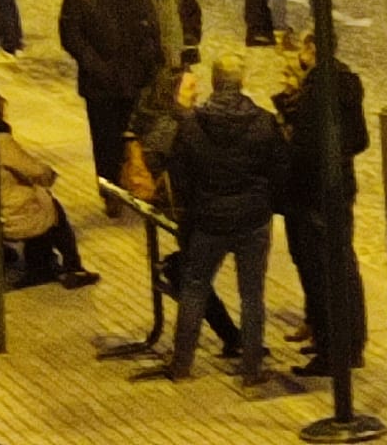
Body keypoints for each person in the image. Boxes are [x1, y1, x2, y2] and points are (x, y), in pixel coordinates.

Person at [155, 52, 284, 384]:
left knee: (195, 287)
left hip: (209, 219)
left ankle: (182, 364)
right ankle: (252, 368)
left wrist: (193, 208)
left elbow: (180, 177)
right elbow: (277, 169)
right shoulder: (263, 123)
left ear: (213, 82)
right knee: (252, 294)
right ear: (241, 83)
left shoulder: (193, 126)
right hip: (252, 218)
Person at [126, 62, 242, 358]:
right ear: (173, 93)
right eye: (191, 87)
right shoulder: (173, 126)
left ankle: (232, 338)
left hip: (188, 209)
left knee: (192, 270)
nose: (198, 90)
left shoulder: (162, 119)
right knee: (194, 275)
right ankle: (223, 342)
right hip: (189, 210)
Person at [279, 30, 370, 372]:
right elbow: (360, 139)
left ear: (312, 49)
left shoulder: (318, 87)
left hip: (313, 194)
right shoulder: (347, 81)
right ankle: (351, 344)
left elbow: (303, 149)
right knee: (345, 266)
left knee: (322, 272)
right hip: (341, 188)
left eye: (303, 45)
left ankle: (332, 352)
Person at [57, 0, 165, 211]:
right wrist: (98, 67)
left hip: (135, 80)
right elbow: (73, 38)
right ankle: (111, 193)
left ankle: (133, 184)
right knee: (106, 142)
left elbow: (151, 29)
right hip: (101, 86)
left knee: (134, 140)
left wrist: (151, 62)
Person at [0, 98, 100, 289]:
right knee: (53, 210)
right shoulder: (0, 143)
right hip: (8, 213)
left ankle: (42, 264)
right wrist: (49, 175)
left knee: (41, 205)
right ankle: (72, 267)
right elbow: (36, 170)